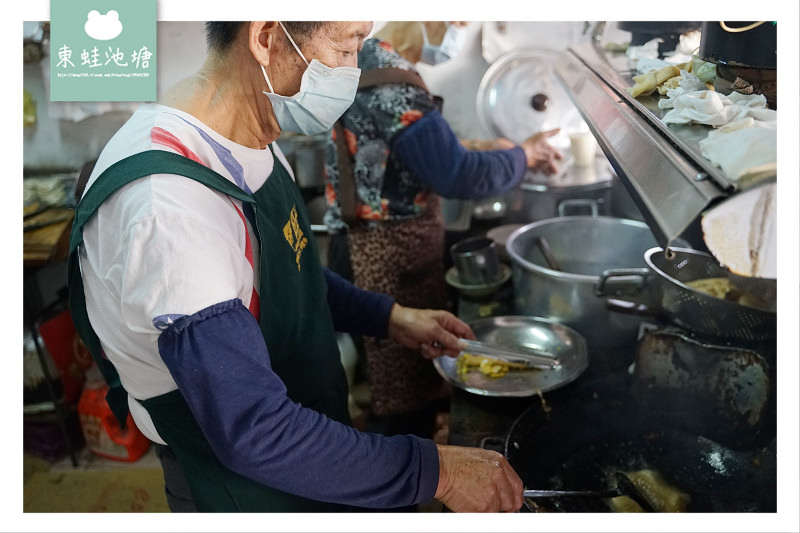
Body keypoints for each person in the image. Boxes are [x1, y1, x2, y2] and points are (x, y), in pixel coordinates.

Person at [67, 21, 524, 513]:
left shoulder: (249, 134)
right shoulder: (169, 213)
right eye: (346, 47)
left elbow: (288, 273)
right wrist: (436, 471)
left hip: (307, 439)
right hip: (245, 484)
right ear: (265, 37)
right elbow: (255, 430)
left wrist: (389, 317)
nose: (352, 72)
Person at [323, 21, 563, 440]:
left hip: (378, 250)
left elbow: (415, 149)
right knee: (400, 398)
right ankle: (397, 481)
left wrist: (497, 149)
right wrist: (523, 157)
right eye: (455, 21)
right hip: (382, 258)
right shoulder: (391, 80)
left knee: (404, 380)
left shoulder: (371, 59)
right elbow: (455, 174)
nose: (456, 32)